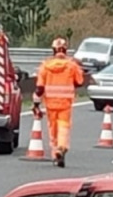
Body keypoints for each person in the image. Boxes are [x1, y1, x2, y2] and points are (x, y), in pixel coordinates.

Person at [33, 37, 87, 167]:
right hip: (65, 103)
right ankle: (61, 148)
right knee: (63, 127)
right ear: (65, 50)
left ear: (53, 50)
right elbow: (79, 82)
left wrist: (36, 104)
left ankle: (55, 153)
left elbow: (39, 88)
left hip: (50, 103)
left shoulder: (45, 66)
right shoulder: (71, 65)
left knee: (53, 129)